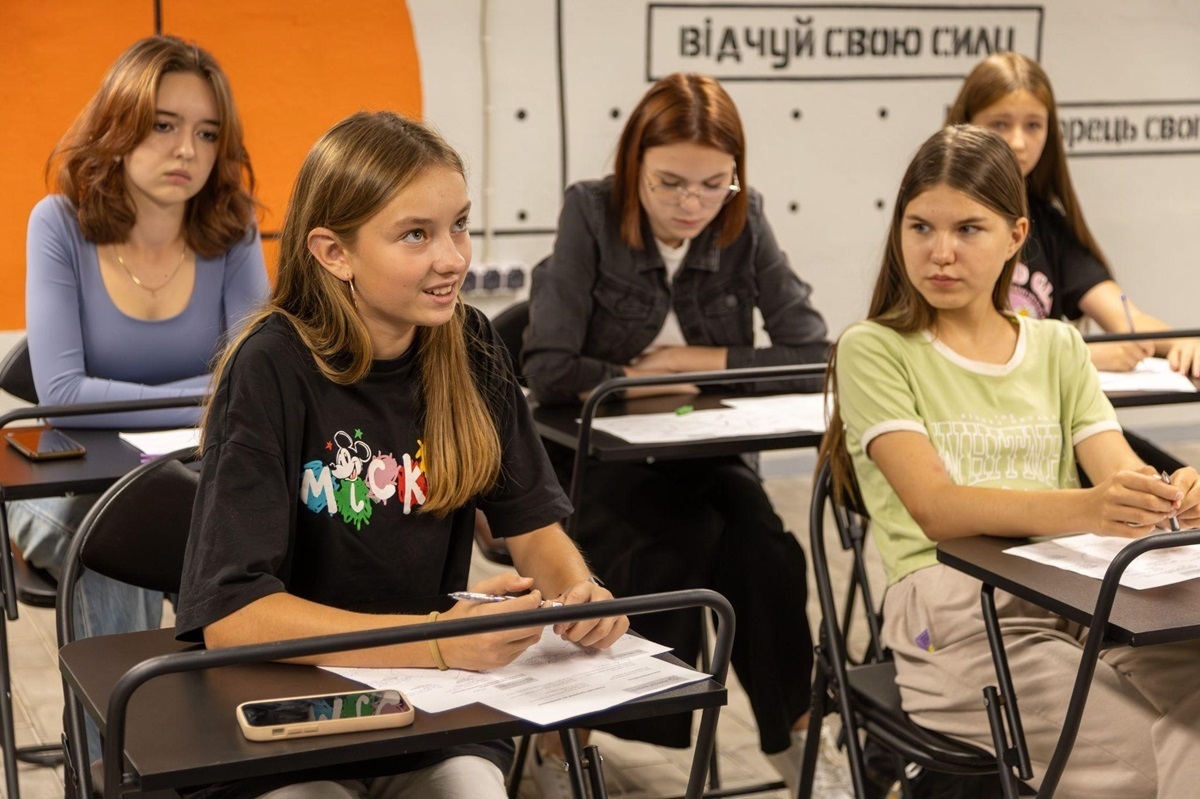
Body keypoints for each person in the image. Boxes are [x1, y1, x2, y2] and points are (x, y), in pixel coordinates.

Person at [174, 110, 629, 799]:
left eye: (459, 225)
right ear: (334, 252)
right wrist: (438, 640)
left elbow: (535, 527)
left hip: (429, 711)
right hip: (284, 713)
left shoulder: (470, 344)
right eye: (416, 234)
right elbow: (234, 618)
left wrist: (578, 594)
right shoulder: (271, 366)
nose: (453, 258)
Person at [820, 123, 1200, 798]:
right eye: (920, 227)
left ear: (1016, 236)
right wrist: (1089, 509)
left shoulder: (1057, 345)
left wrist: (1169, 494)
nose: (940, 252)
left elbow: (1120, 474)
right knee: (1159, 764)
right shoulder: (874, 348)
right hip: (952, 612)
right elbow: (937, 508)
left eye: (969, 229)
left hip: (1079, 595)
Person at [523, 73, 830, 794]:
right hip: (598, 458)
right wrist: (635, 380)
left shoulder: (744, 218)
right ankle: (565, 740)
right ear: (635, 166)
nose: (692, 203)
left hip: (704, 453)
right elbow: (548, 365)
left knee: (765, 548)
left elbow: (813, 351)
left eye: (713, 184)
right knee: (661, 541)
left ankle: (796, 739)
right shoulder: (590, 212)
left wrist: (698, 362)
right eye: (670, 183)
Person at [9, 35, 268, 643]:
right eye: (163, 125)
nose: (187, 150)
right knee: (119, 533)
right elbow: (63, 395)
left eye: (207, 133)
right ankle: (127, 708)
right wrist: (213, 394)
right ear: (118, 125)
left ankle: (197, 699)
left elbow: (255, 375)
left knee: (226, 529)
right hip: (69, 486)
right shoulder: (58, 223)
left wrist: (221, 392)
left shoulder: (233, 229)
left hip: (195, 481)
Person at [946, 52, 1200, 376]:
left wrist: (1186, 342)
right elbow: (955, 340)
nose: (1018, 142)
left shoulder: (1049, 224)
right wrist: (1082, 355)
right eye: (1000, 124)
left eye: (1033, 125)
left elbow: (1126, 319)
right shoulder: (944, 219)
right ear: (966, 125)